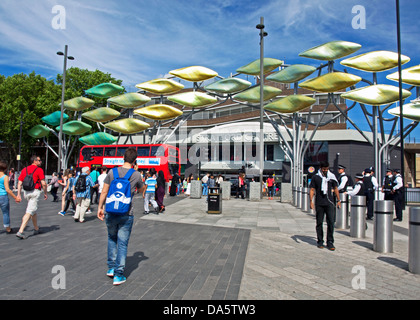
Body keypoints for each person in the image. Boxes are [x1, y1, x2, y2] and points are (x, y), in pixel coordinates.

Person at [97, 147, 145, 286]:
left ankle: (111, 268)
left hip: (110, 211)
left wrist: (100, 208)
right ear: (135, 160)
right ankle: (118, 275)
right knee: (122, 244)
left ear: (123, 157)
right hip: (126, 213)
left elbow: (104, 191)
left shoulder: (112, 171)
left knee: (111, 239)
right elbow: (142, 190)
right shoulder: (136, 174)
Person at [309, 161, 341, 251]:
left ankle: (330, 241)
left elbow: (335, 188)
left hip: (330, 202)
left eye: (327, 169)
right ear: (320, 168)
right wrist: (311, 201)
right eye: (324, 169)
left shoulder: (331, 177)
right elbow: (312, 189)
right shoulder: (316, 177)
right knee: (319, 222)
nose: (325, 171)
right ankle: (320, 241)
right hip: (319, 203)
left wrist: (339, 200)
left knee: (331, 222)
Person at [16, 155, 48, 239]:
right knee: (30, 211)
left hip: (26, 192)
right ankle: (21, 231)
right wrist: (45, 193)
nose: (40, 162)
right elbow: (43, 183)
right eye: (39, 160)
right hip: (35, 191)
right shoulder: (39, 170)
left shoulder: (24, 169)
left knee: (33, 210)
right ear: (35, 161)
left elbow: (19, 183)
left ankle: (36, 228)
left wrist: (18, 194)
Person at [0, 160, 20, 233]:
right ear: (5, 169)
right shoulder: (5, 177)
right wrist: (15, 197)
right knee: (5, 213)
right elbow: (8, 189)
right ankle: (8, 229)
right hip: (3, 197)